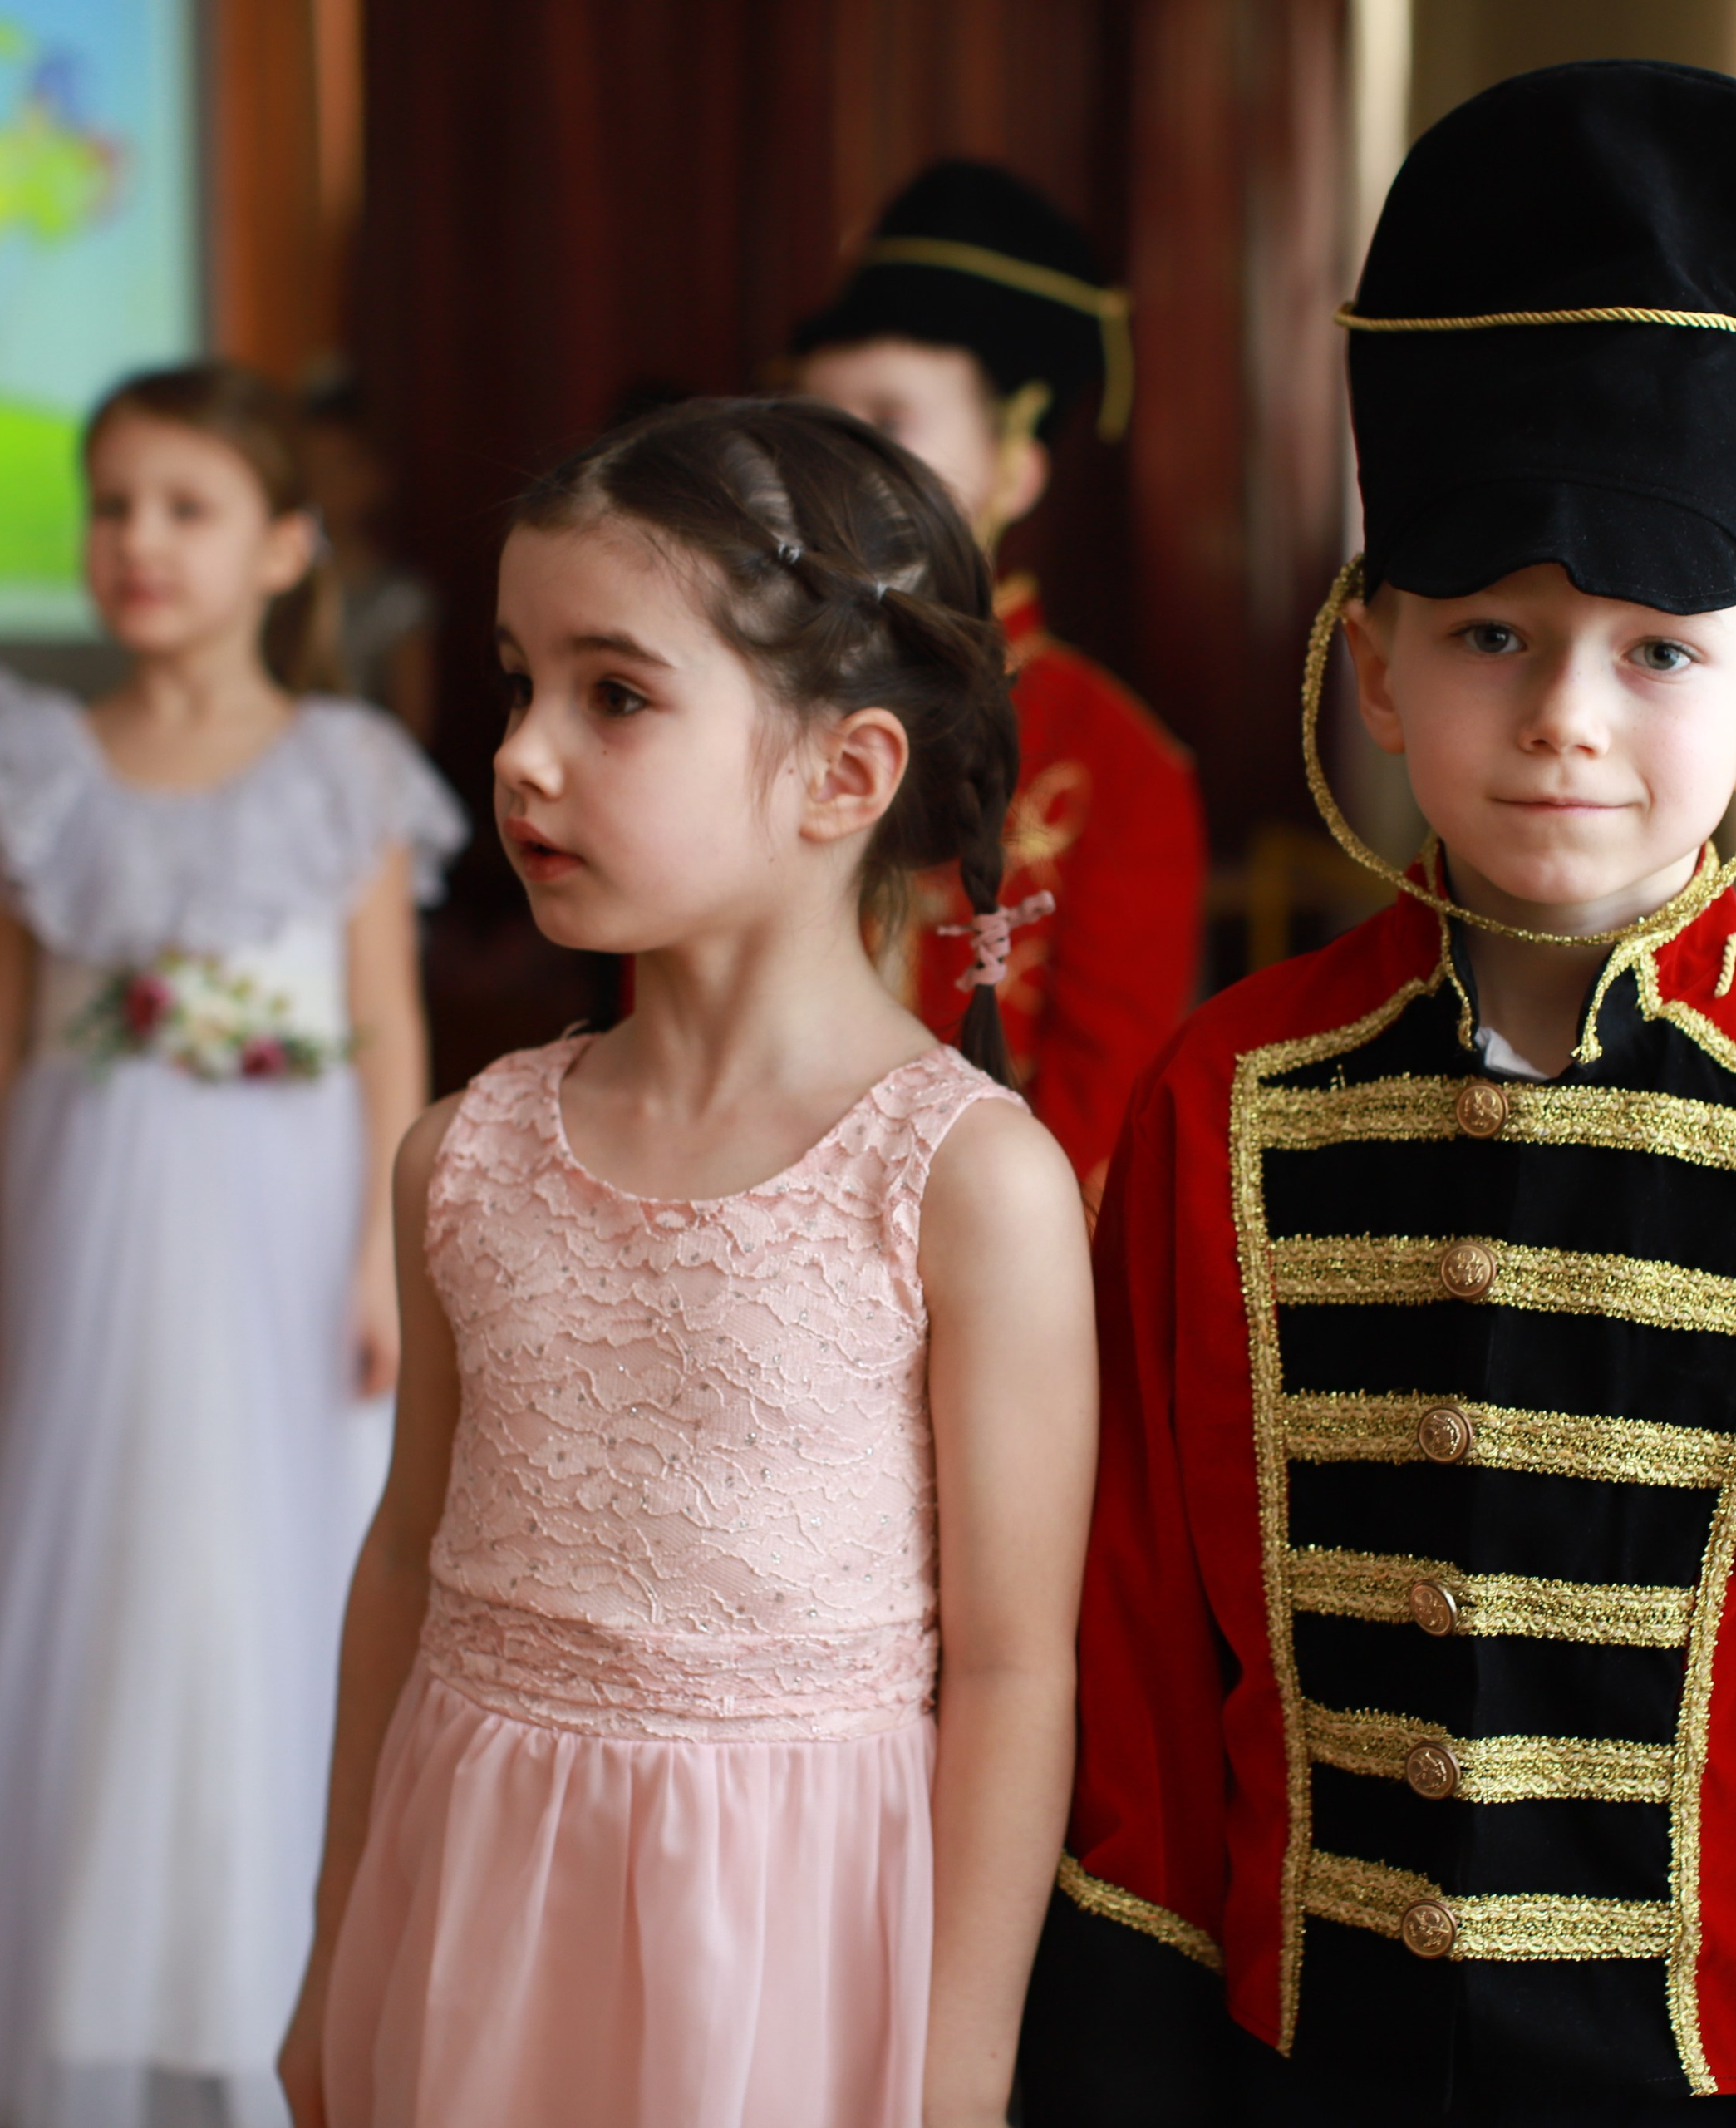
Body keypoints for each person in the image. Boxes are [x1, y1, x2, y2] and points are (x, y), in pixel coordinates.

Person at [1020, 62, 1736, 2127]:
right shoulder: (1214, 1102)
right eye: (1489, 634)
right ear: (1377, 661)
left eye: (1656, 653)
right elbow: (1139, 1701)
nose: (1561, 722)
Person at [279, 398, 1099, 2128]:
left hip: (787, 1932)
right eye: (517, 683)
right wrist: (333, 1934)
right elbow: (403, 1563)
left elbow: (1019, 1662)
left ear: (843, 773)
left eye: (615, 695)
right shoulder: (467, 1152)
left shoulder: (964, 1180)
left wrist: (955, 2064)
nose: (523, 753)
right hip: (482, 1886)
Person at [0, 362, 465, 2127]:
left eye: (185, 508)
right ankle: (86, 1989)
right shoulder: (36, 759)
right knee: (92, 1576)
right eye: (112, 504)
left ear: (282, 546)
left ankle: (270, 1986)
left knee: (261, 1583)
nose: (137, 542)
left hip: (280, 1233)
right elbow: (16, 1031)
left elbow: (386, 1040)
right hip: (81, 1213)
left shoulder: (340, 764)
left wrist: (381, 1258)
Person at [792, 160, 1207, 1208]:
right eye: (813, 426)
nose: (841, 468)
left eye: (888, 421)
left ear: (1017, 463)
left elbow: (1102, 1118)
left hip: (988, 1284)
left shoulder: (1114, 760)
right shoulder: (732, 707)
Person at [298, 377, 440, 739]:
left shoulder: (399, 598)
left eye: (339, 467)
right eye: (310, 469)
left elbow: (414, 726)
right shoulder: (277, 586)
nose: (323, 485)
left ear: (377, 477)